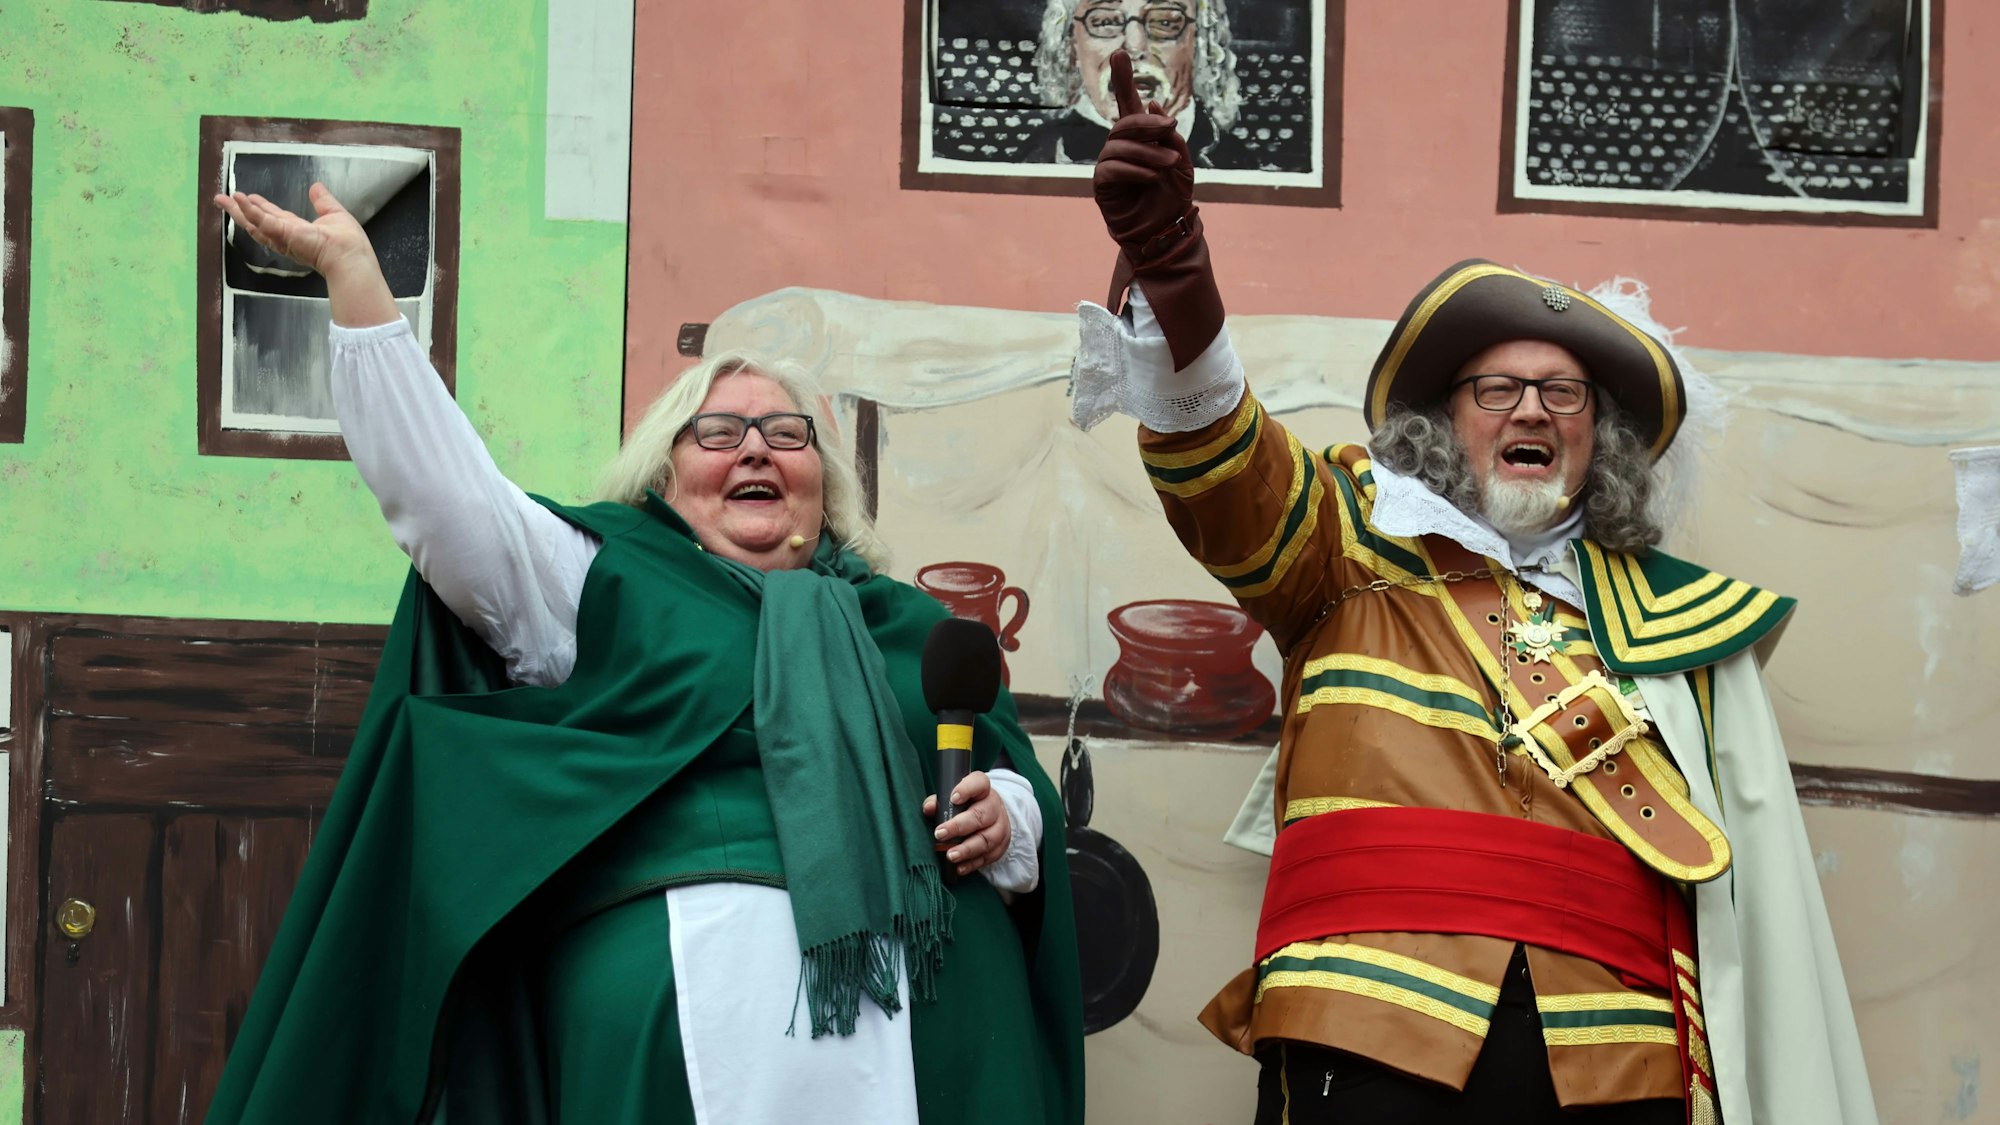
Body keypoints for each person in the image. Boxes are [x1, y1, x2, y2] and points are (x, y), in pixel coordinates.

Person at [1069, 50, 1879, 1124]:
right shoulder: (1350, 536)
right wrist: (1182, 281)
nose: (1532, 412)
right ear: (1442, 422)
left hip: (1613, 1054)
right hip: (1367, 1023)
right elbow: (1232, 477)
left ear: (1606, 440)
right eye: (1496, 388)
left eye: (1564, 394)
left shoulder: (1677, 625)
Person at [201, 184, 1084, 1125]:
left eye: (787, 434)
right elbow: (451, 504)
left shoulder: (908, 624)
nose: (754, 449)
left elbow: (1015, 792)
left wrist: (1008, 821)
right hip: (677, 1015)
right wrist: (358, 286)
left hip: (923, 1032)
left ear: (825, 481)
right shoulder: (605, 577)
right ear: (666, 475)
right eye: (718, 432)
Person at [1020, 0, 1259, 169]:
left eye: (1164, 22)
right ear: (1071, 43)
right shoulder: (1040, 156)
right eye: (1105, 21)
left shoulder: (1236, 162)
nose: (1134, 46)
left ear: (1200, 43)